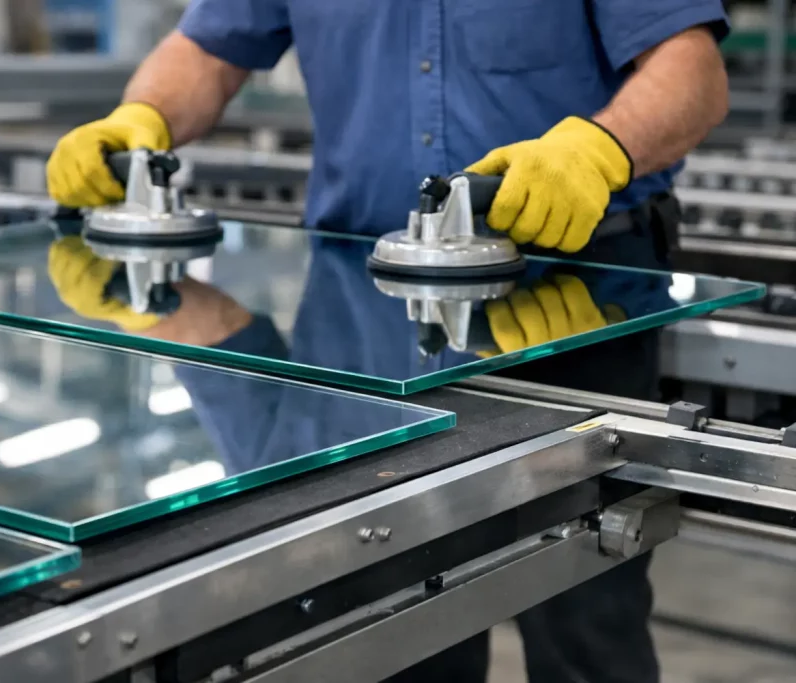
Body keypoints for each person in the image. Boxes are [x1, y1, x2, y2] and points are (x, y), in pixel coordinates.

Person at [45, 2, 730, 681]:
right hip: (364, 310)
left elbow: (692, 72)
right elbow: (207, 50)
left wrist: (599, 149)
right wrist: (144, 117)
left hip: (578, 301)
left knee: (585, 608)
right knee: (397, 623)